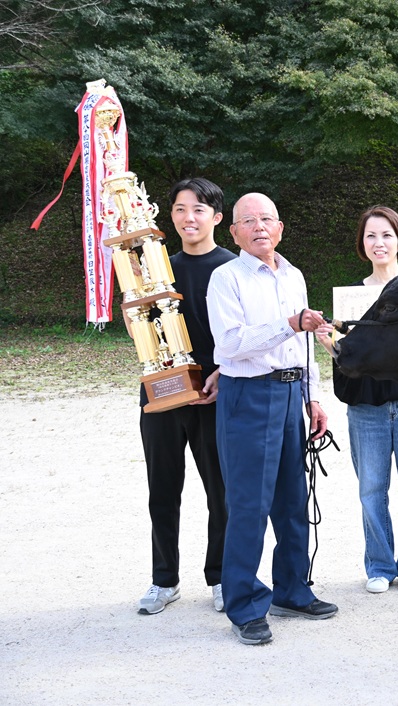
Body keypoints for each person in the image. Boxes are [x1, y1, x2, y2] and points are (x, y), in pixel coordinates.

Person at [207, 192, 338, 645]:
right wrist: (290, 322)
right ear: (235, 232)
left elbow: (303, 343)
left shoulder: (295, 274)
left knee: (291, 499)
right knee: (248, 505)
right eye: (250, 220)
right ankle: (244, 605)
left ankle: (293, 590)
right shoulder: (226, 278)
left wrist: (313, 397)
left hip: (289, 392)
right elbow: (228, 345)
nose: (260, 227)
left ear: (280, 227)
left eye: (268, 219)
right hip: (247, 395)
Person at [315, 206, 398, 594]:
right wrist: (331, 346)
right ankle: (380, 565)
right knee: (370, 490)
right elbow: (350, 360)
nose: (379, 243)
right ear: (361, 244)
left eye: (386, 235)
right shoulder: (351, 298)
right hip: (365, 408)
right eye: (371, 236)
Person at [135, 177, 235, 616]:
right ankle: (164, 580)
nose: (188, 217)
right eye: (179, 208)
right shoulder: (157, 270)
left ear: (216, 217)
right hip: (162, 393)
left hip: (216, 393)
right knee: (162, 490)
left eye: (198, 209)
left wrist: (222, 375)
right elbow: (143, 328)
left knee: (222, 492)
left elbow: (243, 337)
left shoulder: (233, 269)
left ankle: (220, 576)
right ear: (170, 215)